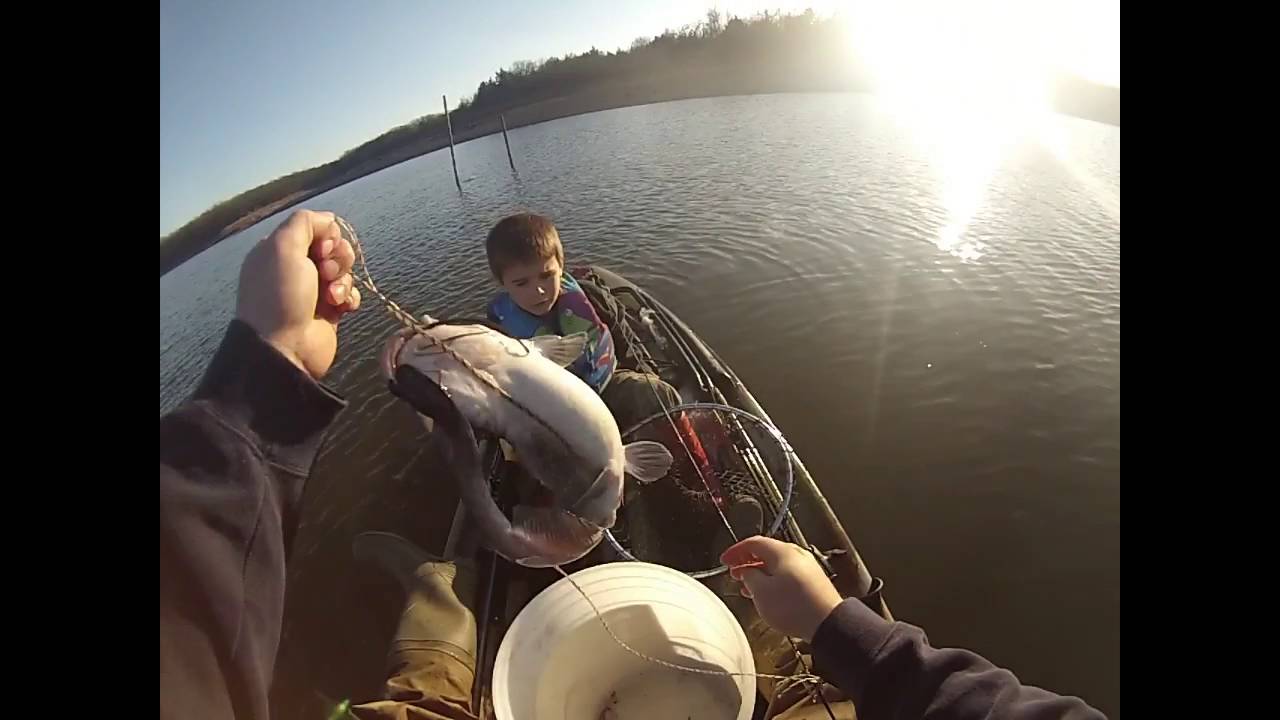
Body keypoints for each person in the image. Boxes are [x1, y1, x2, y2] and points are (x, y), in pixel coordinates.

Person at [160, 208, 1106, 720]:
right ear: (500, 292)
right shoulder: (499, 334)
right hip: (557, 430)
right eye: (527, 281)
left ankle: (469, 575)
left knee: (644, 400)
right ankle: (536, 539)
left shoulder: (574, 310)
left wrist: (265, 373)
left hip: (593, 419)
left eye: (551, 273)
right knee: (563, 449)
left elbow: (593, 359)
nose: (544, 286)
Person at [483, 212, 680, 432]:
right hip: (559, 413)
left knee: (660, 394)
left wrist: (646, 370)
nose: (538, 290)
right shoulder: (497, 333)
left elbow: (624, 337)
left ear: (561, 266)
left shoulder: (592, 296)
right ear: (502, 283)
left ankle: (700, 461)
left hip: (607, 383)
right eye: (521, 283)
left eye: (547, 276)